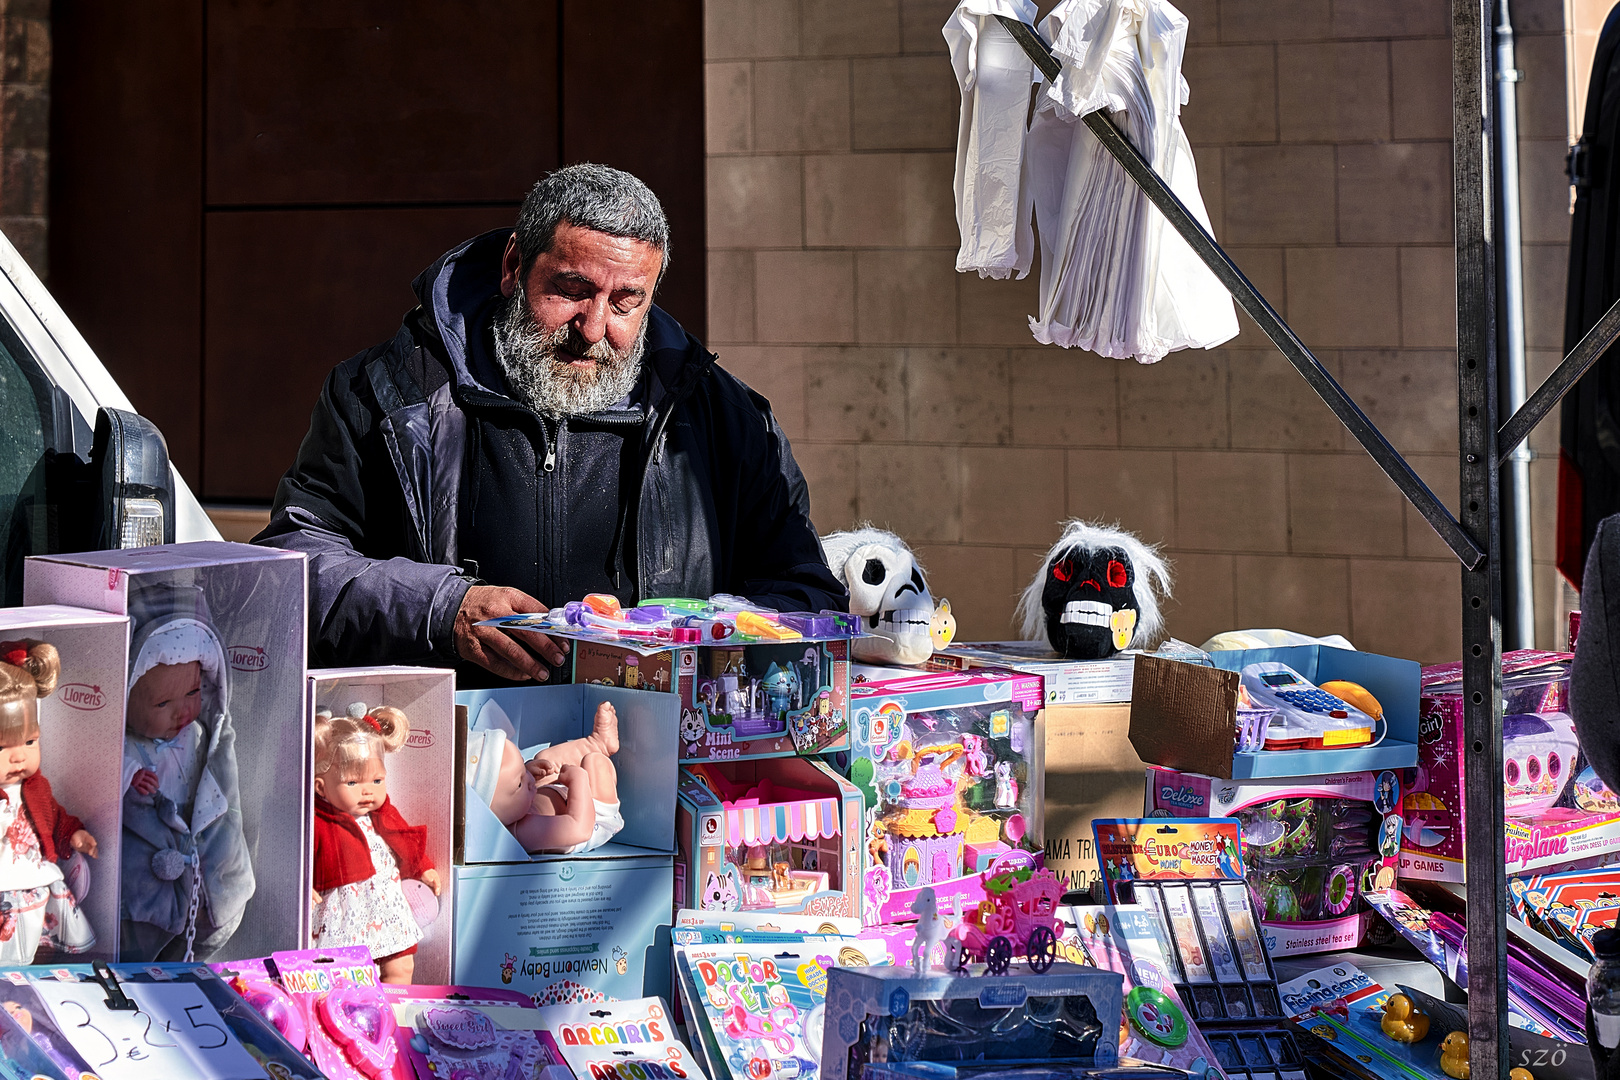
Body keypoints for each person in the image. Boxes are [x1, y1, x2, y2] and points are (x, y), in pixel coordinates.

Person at [255, 164, 845, 684]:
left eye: (625, 303)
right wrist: (440, 609)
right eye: (572, 291)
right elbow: (291, 567)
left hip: (658, 768)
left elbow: (807, 595)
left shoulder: (726, 419)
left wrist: (692, 638)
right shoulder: (387, 392)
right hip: (448, 758)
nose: (592, 328)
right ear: (514, 266)